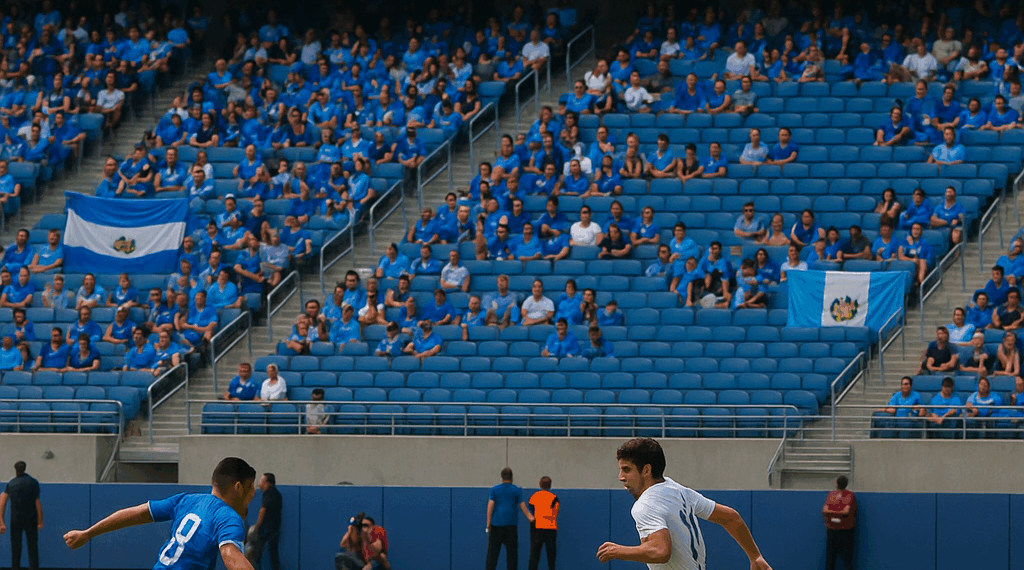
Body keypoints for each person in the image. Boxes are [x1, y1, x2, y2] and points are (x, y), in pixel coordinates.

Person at [596, 438, 772, 570]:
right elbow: (730, 517)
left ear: (647, 470)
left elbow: (661, 551)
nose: (621, 477)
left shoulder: (645, 505)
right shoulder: (678, 490)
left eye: (626, 470)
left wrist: (618, 551)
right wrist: (755, 556)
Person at [63, 458, 257, 570]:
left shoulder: (186, 500)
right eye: (251, 487)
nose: (254, 493)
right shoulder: (227, 517)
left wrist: (88, 533)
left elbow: (133, 514)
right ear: (238, 487)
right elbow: (231, 556)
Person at [486, 467, 533, 570]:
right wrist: (530, 517)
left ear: (501, 477)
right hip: (511, 525)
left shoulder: (494, 489)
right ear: (512, 477)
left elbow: (491, 505)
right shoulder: (517, 490)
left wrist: (488, 523)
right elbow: (522, 504)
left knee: (492, 554)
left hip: (496, 524)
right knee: (512, 555)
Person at [0, 461, 42, 570]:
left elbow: (2, 502)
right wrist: (40, 520)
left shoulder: (11, 483)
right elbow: (37, 503)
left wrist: (1, 521)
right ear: (25, 468)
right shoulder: (33, 482)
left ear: (15, 469)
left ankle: (15, 567)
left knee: (15, 547)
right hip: (31, 518)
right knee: (32, 547)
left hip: (15, 519)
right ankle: (33, 567)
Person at [247, 473, 281, 570]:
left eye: (262, 481)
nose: (259, 483)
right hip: (274, 529)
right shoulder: (277, 494)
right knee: (272, 553)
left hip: (266, 530)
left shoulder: (269, 494)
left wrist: (257, 526)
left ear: (268, 483)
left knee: (255, 553)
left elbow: (263, 510)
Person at [822, 475, 856, 570]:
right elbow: (825, 510)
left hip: (844, 531)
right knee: (834, 559)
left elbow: (845, 511)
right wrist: (839, 513)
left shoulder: (848, 495)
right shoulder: (833, 495)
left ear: (836, 484)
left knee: (841, 559)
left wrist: (831, 513)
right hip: (835, 530)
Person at [528, 476, 559, 570]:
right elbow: (556, 512)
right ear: (550, 485)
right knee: (551, 556)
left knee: (534, 555)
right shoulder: (554, 498)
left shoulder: (535, 496)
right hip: (551, 529)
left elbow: (531, 509)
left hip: (537, 528)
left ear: (540, 484)